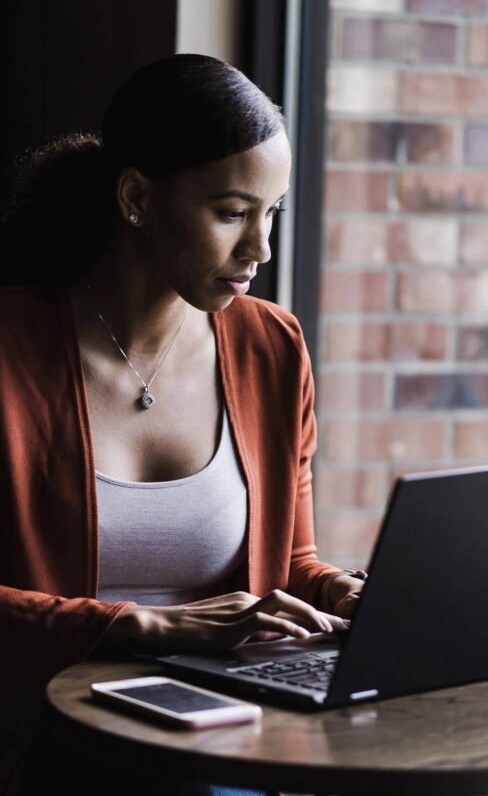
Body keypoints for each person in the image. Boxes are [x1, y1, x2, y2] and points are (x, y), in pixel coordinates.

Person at [0, 55, 366, 796]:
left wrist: (347, 597)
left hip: (217, 729)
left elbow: (287, 564)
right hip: (41, 731)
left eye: (273, 215)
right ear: (137, 197)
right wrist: (147, 626)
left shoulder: (272, 345)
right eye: (232, 213)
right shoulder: (11, 348)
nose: (259, 250)